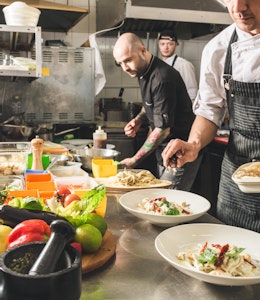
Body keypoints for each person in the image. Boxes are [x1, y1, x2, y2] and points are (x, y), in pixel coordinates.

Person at [162, 0, 260, 232]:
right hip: (239, 181)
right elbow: (210, 109)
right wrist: (194, 144)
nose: (238, 7)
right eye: (230, 0)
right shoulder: (219, 48)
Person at [113, 32, 202, 191]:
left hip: (180, 153)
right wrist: (139, 120)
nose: (125, 68)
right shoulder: (142, 72)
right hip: (163, 150)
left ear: (142, 50)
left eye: (128, 60)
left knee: (168, 202)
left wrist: (134, 160)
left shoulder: (162, 78)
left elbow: (162, 129)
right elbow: (149, 104)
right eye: (120, 63)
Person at [158, 29, 198, 102]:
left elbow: (192, 93)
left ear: (176, 45)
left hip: (179, 110)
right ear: (159, 45)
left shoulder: (184, 65)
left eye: (170, 44)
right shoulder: (158, 65)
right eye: (162, 44)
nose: (166, 47)